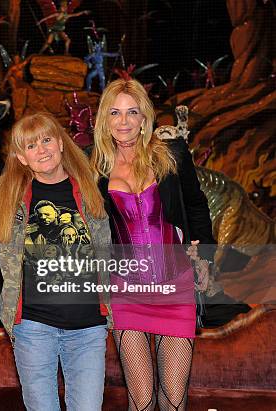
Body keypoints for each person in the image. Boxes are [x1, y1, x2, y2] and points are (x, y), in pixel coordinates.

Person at [91, 78, 214, 411]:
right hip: (126, 291)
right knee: (142, 402)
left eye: (133, 112)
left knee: (174, 403)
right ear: (105, 119)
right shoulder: (95, 171)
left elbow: (196, 205)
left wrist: (204, 257)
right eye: (115, 113)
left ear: (145, 117)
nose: (124, 121)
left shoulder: (171, 155)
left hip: (176, 286)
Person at [0, 111, 112, 411]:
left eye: (47, 140)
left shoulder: (92, 188)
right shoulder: (7, 199)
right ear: (21, 157)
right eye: (31, 145)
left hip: (88, 328)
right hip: (33, 328)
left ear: (61, 143)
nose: (42, 150)